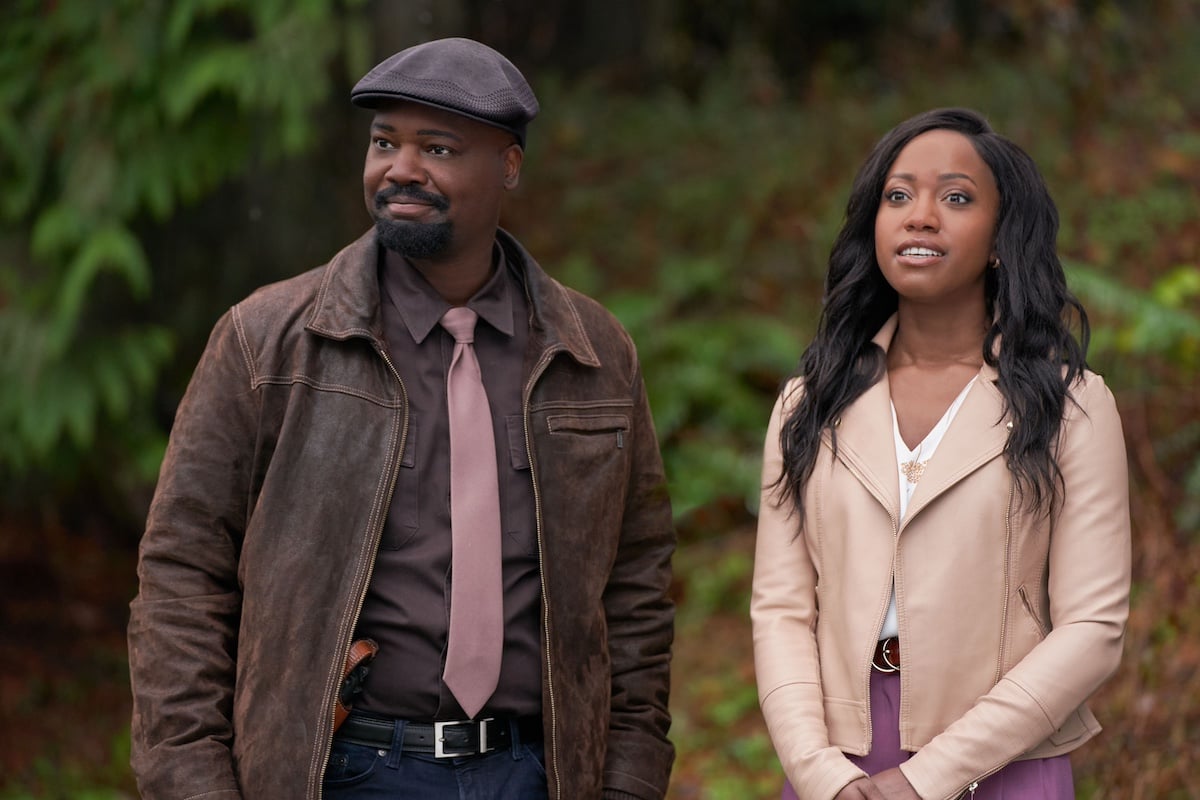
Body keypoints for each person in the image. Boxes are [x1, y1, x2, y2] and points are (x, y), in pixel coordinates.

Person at [128, 37, 675, 800]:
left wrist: (630, 777)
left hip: (538, 772)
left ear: (509, 166)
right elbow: (183, 575)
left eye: (438, 147)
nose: (402, 169)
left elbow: (637, 585)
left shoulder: (594, 354)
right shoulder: (268, 342)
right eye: (385, 142)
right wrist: (191, 779)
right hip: (341, 771)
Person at [751, 108, 1130, 800]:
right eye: (898, 196)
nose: (920, 216)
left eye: (956, 197)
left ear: (998, 239)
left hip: (1004, 755)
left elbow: (1093, 628)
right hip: (840, 760)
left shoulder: (1072, 405)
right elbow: (779, 610)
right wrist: (819, 773)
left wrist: (928, 778)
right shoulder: (811, 403)